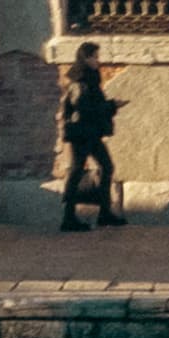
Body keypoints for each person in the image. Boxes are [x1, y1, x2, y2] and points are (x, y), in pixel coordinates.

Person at [56, 43, 124, 232]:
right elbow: (84, 108)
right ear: (86, 58)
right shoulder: (79, 80)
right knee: (77, 170)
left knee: (105, 167)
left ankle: (104, 212)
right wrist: (112, 105)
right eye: (95, 57)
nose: (98, 60)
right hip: (81, 132)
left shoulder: (90, 78)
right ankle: (68, 217)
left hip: (90, 131)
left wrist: (109, 105)